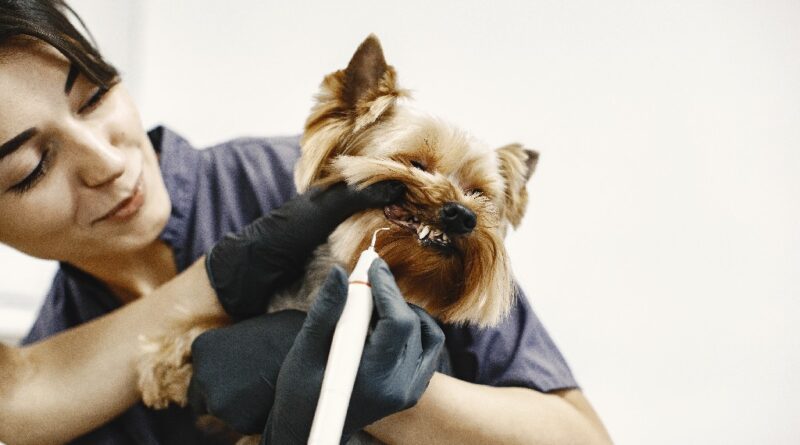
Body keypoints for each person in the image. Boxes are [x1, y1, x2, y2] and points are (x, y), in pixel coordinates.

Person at [0, 1, 612, 444]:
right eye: (31, 166)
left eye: (95, 95)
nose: (109, 162)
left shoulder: (326, 184)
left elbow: (581, 438)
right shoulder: (53, 371)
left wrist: (372, 388)